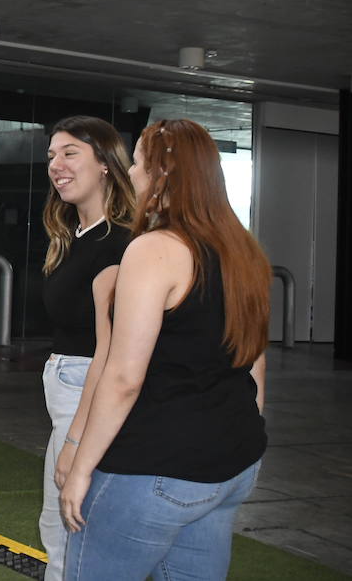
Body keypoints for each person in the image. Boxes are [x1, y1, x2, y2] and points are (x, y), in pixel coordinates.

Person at [59, 119, 270, 580]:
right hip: (232, 462)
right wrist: (245, 428)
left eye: (136, 164)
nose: (131, 175)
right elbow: (253, 355)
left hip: (156, 469)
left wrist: (81, 467)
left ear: (163, 174)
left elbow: (123, 377)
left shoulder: (155, 249)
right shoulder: (243, 251)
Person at [36, 116, 136, 581]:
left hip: (88, 393)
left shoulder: (118, 245)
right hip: (69, 390)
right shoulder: (73, 236)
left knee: (70, 528)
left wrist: (76, 439)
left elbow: (114, 354)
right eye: (52, 154)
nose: (56, 164)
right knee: (58, 526)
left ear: (105, 165)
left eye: (70, 152)